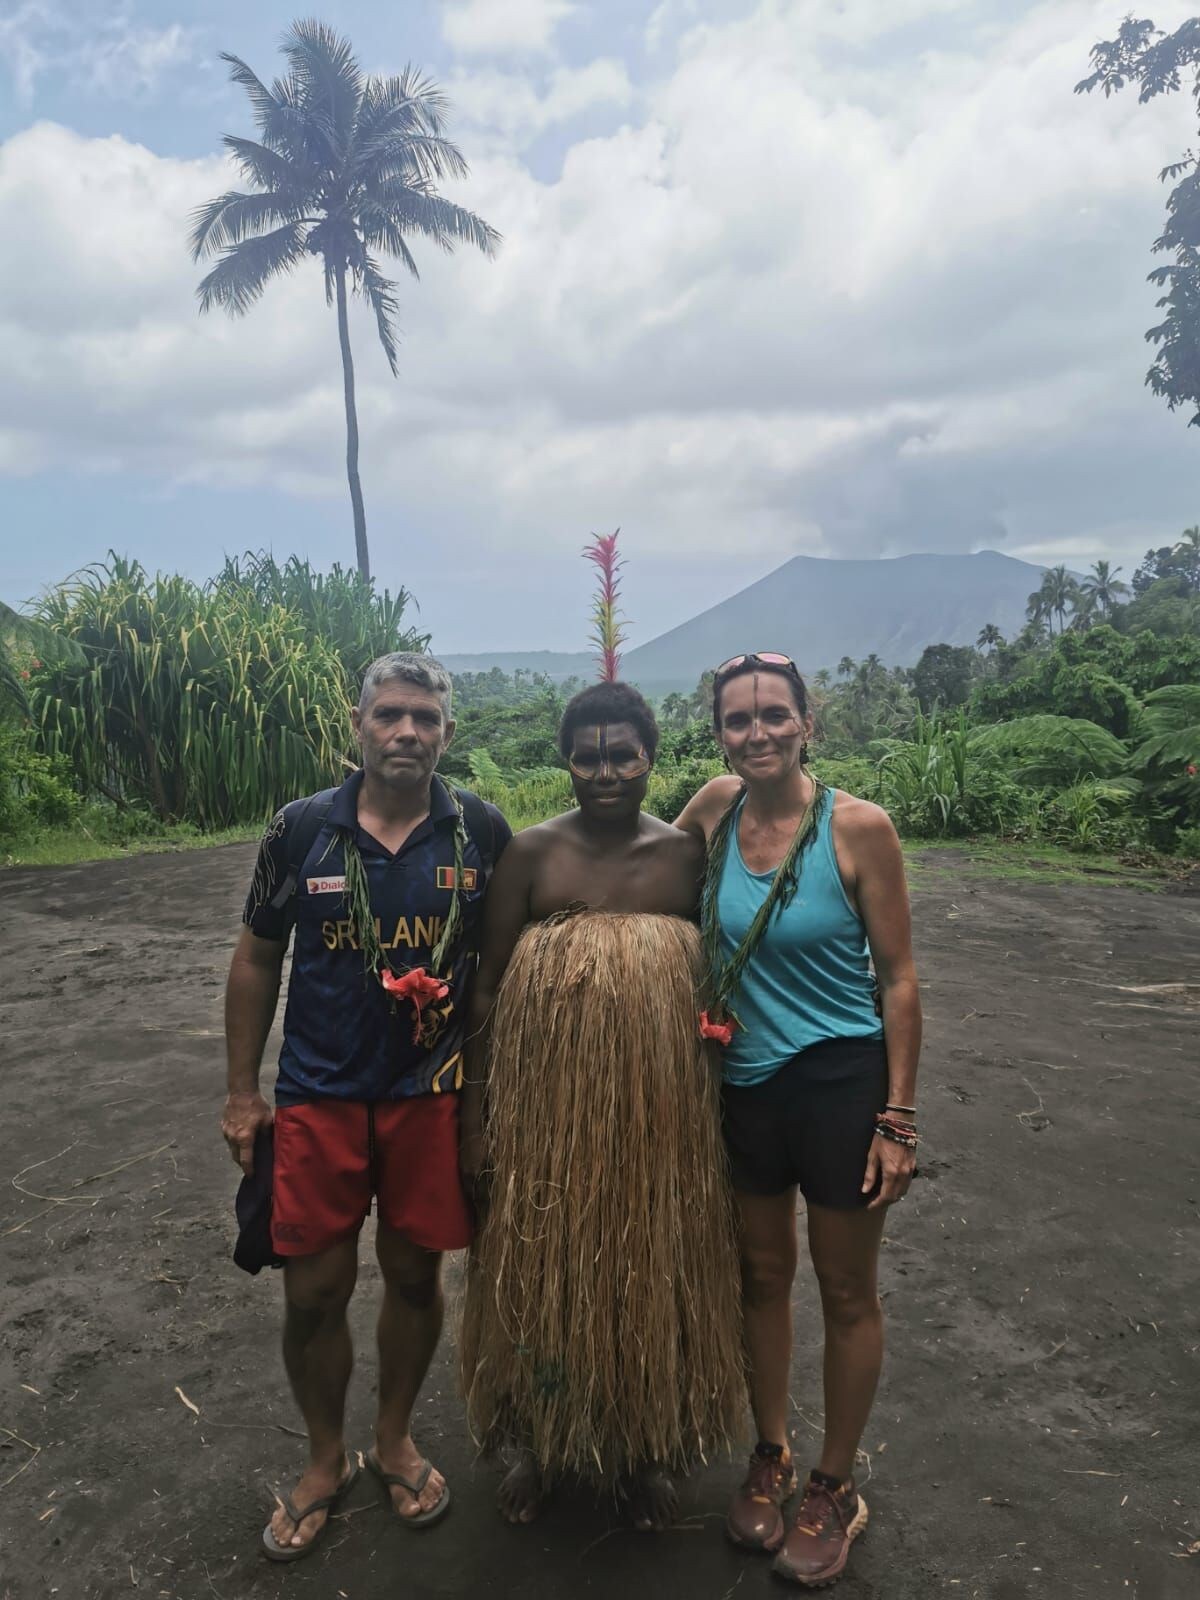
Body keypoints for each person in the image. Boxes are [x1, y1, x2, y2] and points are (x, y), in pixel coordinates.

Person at [221, 652, 511, 1562]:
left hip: (432, 1096)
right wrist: (241, 1094)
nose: (407, 733)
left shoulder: (482, 833)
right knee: (313, 1292)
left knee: (419, 1278)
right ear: (358, 725)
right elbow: (258, 959)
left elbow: (502, 972)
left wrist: (492, 1099)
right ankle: (321, 1459)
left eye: (425, 719)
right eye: (390, 715)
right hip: (319, 1097)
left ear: (447, 735)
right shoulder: (301, 829)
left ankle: (392, 1440)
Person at [459, 680, 745, 1530]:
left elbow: (722, 978)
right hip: (549, 1119)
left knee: (653, 1267)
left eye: (622, 754)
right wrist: (476, 1117)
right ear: (566, 760)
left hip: (663, 1120)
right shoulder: (532, 855)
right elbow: (484, 994)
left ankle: (647, 1446)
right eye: (588, 756)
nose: (605, 771)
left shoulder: (686, 857)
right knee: (549, 1268)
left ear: (652, 758)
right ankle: (542, 1442)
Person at [675, 652, 921, 1589]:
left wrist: (897, 1117)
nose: (758, 733)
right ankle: (770, 1453)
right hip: (745, 1082)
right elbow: (643, 871)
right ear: (720, 736)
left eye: (775, 715)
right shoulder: (712, 811)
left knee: (846, 1286)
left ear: (807, 723)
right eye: (738, 721)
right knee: (761, 1274)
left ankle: (832, 1485)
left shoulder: (859, 829)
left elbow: (898, 979)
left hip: (841, 1080)